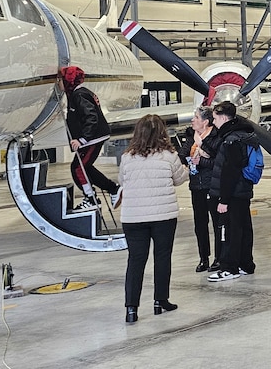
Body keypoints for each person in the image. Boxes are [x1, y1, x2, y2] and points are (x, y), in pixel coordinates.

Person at [118, 114, 187, 323]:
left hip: (133, 216)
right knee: (162, 257)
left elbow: (122, 180)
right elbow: (179, 179)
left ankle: (131, 308)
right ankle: (160, 301)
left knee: (135, 260)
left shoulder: (127, 157)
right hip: (163, 215)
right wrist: (186, 169)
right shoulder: (169, 155)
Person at [204, 101, 260, 282]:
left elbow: (230, 171)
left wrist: (224, 200)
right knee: (244, 228)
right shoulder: (244, 134)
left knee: (229, 230)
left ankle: (229, 267)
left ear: (222, 117)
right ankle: (246, 264)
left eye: (214, 118)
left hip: (233, 193)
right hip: (243, 191)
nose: (213, 122)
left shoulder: (231, 140)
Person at [60, 66, 119, 210]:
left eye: (60, 80)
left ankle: (91, 199)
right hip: (93, 137)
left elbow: (91, 117)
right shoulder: (79, 93)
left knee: (78, 168)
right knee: (84, 167)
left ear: (68, 80)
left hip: (93, 138)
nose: (58, 83)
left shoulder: (79, 95)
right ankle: (113, 189)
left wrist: (82, 139)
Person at [176, 106, 219, 273]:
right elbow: (182, 154)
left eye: (196, 117)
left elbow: (218, 162)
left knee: (217, 223)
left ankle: (218, 257)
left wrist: (202, 160)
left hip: (211, 185)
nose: (192, 120)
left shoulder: (215, 138)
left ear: (205, 122)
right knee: (200, 224)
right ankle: (204, 257)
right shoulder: (191, 137)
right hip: (196, 186)